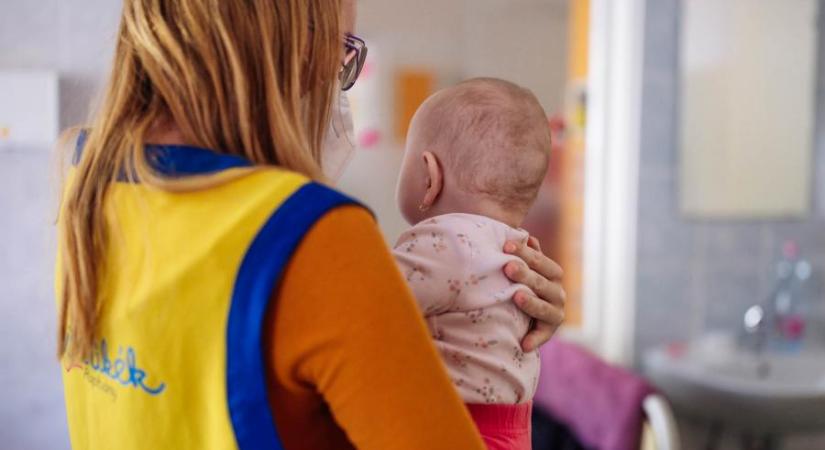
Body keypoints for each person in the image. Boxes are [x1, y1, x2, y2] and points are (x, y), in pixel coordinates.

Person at [55, 1, 566, 449]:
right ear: (287, 45)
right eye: (343, 47)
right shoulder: (313, 237)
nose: (335, 78)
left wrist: (486, 306)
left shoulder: (84, 183)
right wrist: (494, 298)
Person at [394, 78, 552, 449]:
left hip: (456, 430)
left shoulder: (444, 242)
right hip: (512, 432)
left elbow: (365, 303)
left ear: (429, 176)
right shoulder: (521, 250)